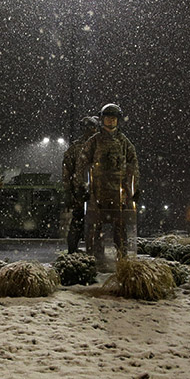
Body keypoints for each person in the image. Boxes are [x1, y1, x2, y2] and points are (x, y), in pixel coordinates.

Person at [78, 103, 140, 267]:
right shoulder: (94, 142)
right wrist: (82, 187)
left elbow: (134, 165)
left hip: (119, 193)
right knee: (95, 230)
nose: (110, 121)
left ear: (118, 121)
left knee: (120, 230)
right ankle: (97, 262)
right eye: (107, 118)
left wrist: (135, 189)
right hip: (97, 192)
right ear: (102, 119)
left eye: (113, 118)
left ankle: (122, 261)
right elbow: (82, 164)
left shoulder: (124, 143)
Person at [62, 116, 100, 254]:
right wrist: (69, 191)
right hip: (87, 191)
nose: (91, 130)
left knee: (80, 222)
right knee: (84, 222)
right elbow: (67, 171)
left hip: (90, 191)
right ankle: (86, 252)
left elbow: (67, 172)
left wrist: (68, 191)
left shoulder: (94, 145)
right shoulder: (95, 146)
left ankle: (77, 252)